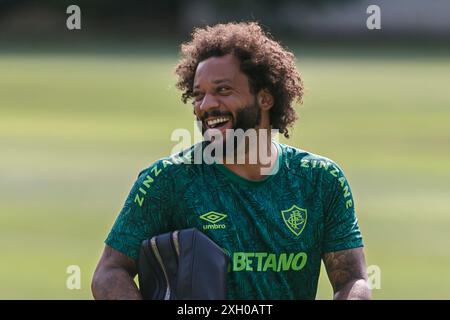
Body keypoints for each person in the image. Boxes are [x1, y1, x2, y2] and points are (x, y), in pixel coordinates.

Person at [91, 21, 371, 300]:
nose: (205, 105)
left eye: (222, 90)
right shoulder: (168, 179)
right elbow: (109, 273)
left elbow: (352, 280)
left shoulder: (320, 180)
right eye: (198, 95)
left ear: (264, 98)